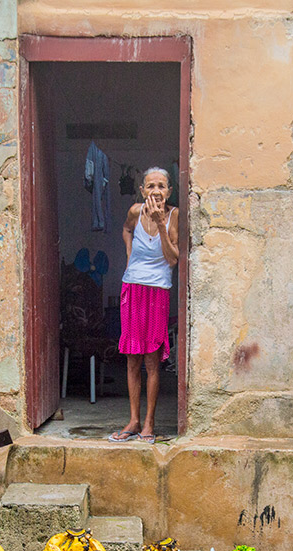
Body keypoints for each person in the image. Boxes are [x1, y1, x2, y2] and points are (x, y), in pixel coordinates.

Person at [109, 167, 178, 443]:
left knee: (151, 360)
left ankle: (149, 423)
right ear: (142, 191)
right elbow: (126, 230)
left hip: (158, 292)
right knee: (132, 359)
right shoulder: (135, 212)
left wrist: (161, 224)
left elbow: (173, 259)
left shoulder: (173, 217)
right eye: (151, 186)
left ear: (169, 192)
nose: (156, 192)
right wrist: (129, 255)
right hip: (132, 289)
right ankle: (134, 421)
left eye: (161, 186)